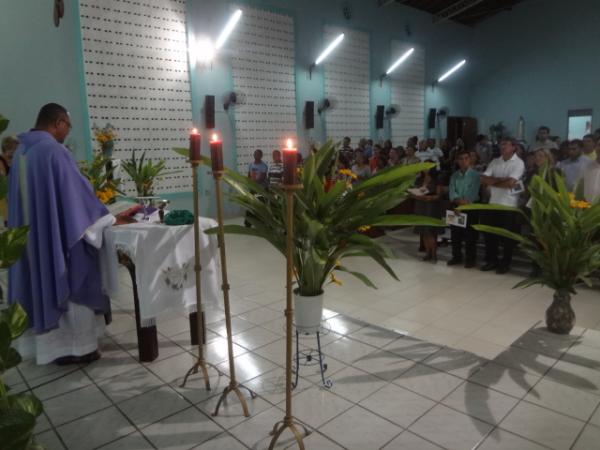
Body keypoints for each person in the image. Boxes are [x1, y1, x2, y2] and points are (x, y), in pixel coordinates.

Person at [8, 103, 115, 365]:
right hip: (58, 240)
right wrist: (107, 216)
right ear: (57, 123)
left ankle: (51, 349)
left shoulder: (21, 151)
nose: (68, 131)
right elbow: (78, 201)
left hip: (30, 240)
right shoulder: (55, 152)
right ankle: (79, 348)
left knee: (37, 281)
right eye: (68, 125)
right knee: (71, 276)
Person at [479, 137, 525, 274]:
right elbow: (483, 178)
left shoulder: (518, 163)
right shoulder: (495, 161)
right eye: (501, 144)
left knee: (507, 238)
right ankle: (492, 261)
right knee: (490, 235)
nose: (502, 146)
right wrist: (501, 181)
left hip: (508, 205)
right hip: (493, 203)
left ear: (513, 147)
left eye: (505, 144)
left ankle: (505, 263)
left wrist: (493, 182)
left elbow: (511, 183)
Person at [447, 151, 481, 268]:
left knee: (470, 235)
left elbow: (472, 193)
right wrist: (458, 205)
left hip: (470, 208)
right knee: (455, 234)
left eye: (466, 158)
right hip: (456, 208)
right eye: (461, 159)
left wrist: (462, 206)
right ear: (457, 161)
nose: (463, 161)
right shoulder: (454, 175)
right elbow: (452, 192)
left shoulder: (475, 175)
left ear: (470, 160)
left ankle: (470, 259)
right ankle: (456, 256)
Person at [412, 164, 444, 263]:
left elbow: (439, 195)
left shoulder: (437, 179)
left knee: (430, 231)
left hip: (431, 207)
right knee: (423, 232)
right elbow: (413, 192)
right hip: (420, 205)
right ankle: (427, 253)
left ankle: (434, 254)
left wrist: (430, 198)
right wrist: (417, 196)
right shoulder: (419, 179)